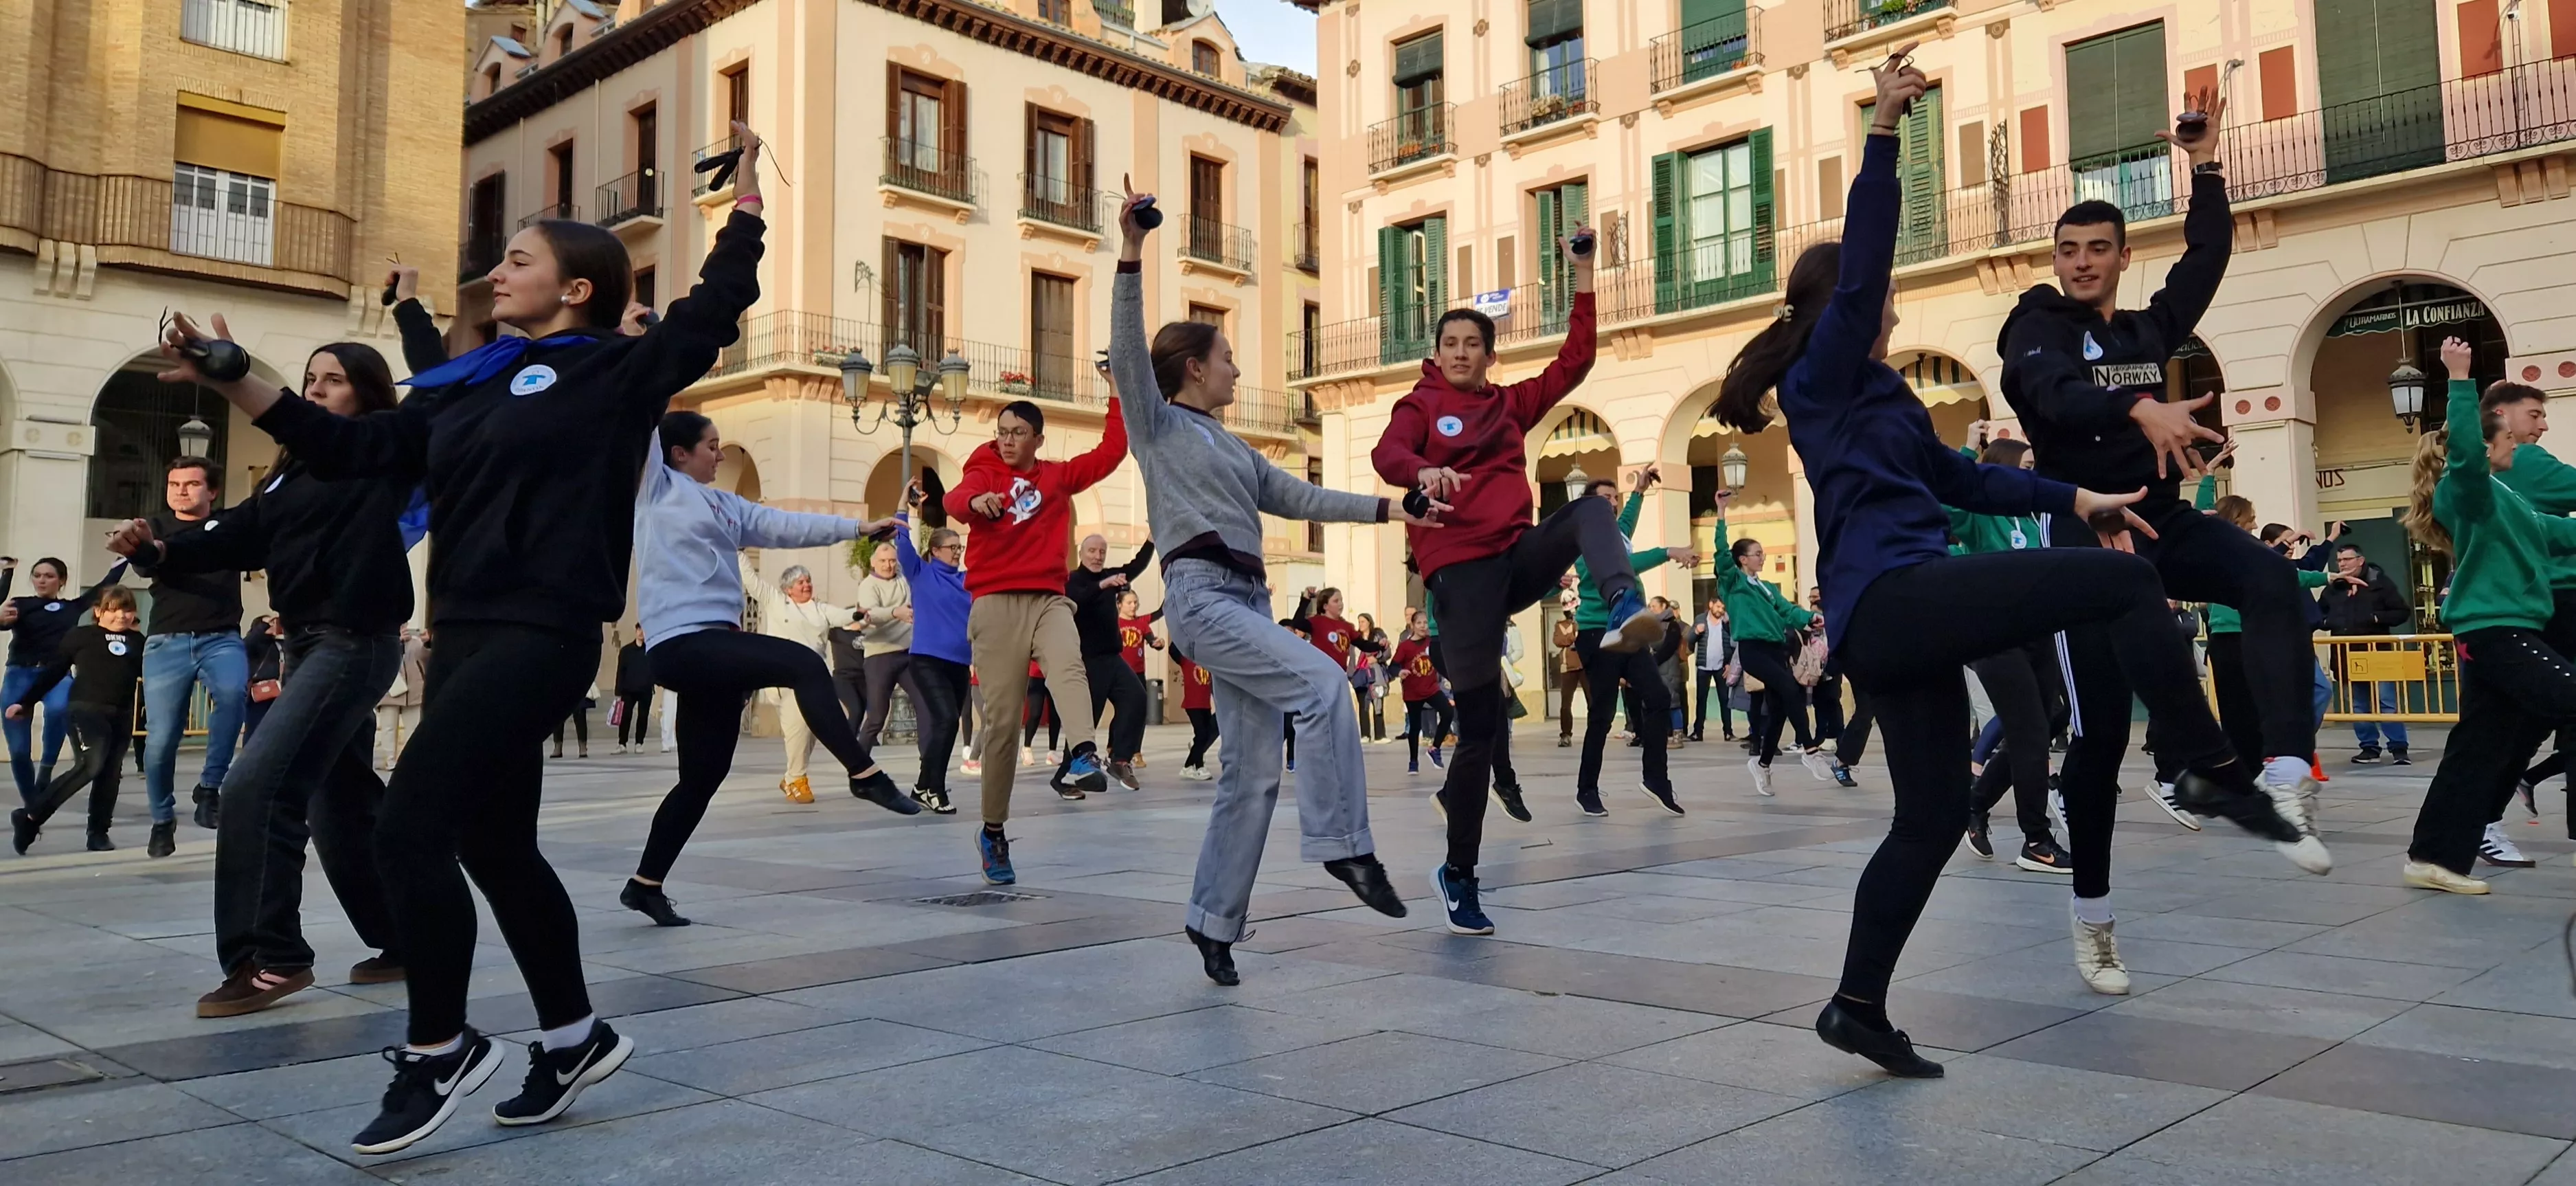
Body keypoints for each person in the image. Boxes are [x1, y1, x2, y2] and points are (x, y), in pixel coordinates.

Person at [155, 121, 776, 1154]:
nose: (497, 270)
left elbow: (716, 303)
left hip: (547, 631)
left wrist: (744, 199)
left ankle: (441, 1048)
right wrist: (233, 372)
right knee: (492, 840)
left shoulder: (614, 373)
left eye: (519, 257)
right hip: (465, 635)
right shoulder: (462, 389)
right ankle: (574, 1034)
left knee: (408, 830)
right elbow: (341, 444)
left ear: (577, 288)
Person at [1710, 57, 2311, 1077]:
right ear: (1841, 311)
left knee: (1934, 813)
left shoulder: (1886, 400)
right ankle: (2210, 769)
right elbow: (1859, 266)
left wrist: (2075, 499)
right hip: (1891, 601)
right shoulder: (1823, 372)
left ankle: (1855, 1004)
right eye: (1881, 302)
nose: (1893, 311)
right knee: (2124, 580)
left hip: (1894, 622)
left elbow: (1966, 479)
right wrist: (1888, 131)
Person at [1997, 79, 2329, 866]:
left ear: (2122, 255)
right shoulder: (2038, 323)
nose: (2082, 263)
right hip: (2085, 533)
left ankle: (2283, 767)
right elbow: (2047, 390)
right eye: (2069, 250)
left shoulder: (2150, 329)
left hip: (2162, 519)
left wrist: (2206, 164)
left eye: (2097, 249)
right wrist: (2140, 410)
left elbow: (2207, 256)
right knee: (2103, 729)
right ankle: (2091, 893)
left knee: (2272, 582)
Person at [1105, 183, 1419, 983]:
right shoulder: (1158, 423)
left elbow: (1302, 497)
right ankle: (1346, 848)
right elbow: (1131, 352)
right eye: (1227, 360)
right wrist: (1132, 253)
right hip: (1204, 598)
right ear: (1193, 368)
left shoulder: (1232, 447)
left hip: (1246, 602)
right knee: (1322, 687)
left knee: (1252, 774)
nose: (1237, 370)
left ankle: (1211, 922)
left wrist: (1396, 507)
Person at [1372, 209, 1660, 937]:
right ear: (1436, 353)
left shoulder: (1510, 403)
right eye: (1451, 343)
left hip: (1516, 555)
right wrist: (1422, 469)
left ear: (1489, 355)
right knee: (1479, 729)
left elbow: (1576, 361)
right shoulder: (1419, 404)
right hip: (1460, 577)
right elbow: (1387, 455)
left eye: (1473, 343)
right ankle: (1459, 872)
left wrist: (1586, 276)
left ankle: (1625, 602)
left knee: (1593, 503)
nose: (1462, 352)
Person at [110, 340, 413, 1018]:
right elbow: (235, 534)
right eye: (310, 378)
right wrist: (158, 550)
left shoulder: (375, 445)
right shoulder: (288, 473)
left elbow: (320, 434)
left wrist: (240, 377)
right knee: (339, 804)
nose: (316, 388)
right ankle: (404, 938)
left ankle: (270, 956)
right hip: (307, 644)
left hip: (353, 641)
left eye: (334, 380)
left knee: (256, 785)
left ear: (365, 393)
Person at [628, 409, 918, 925]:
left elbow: (784, 525)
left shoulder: (723, 503)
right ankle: (863, 773)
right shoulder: (657, 486)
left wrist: (858, 526)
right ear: (678, 455)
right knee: (804, 662)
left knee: (701, 778)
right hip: (681, 643)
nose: (720, 453)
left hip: (715, 647)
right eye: (711, 446)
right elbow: (640, 406)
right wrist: (636, 342)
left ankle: (646, 884)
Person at [2402, 343, 2576, 893]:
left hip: (2508, 630)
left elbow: (2561, 534)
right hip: (2493, 631)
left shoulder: (2511, 502)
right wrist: (2459, 379)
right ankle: (2439, 855)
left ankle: (2433, 859)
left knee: (2479, 749)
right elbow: (2466, 459)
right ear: (2487, 443)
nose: (2519, 445)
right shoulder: (2467, 490)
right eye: (2510, 438)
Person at [945, 395, 1124, 884]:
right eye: (1002, 430)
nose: (1006, 439)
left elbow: (1111, 453)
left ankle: (1084, 753)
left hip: (1048, 597)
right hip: (996, 601)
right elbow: (956, 498)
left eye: (1018, 432)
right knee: (1003, 725)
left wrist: (1117, 394)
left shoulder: (1058, 478)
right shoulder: (984, 468)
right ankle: (993, 832)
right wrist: (975, 502)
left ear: (1037, 440)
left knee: (1069, 664)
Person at [1946, 428, 2073, 873]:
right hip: (1995, 636)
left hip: (2038, 632)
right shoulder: (1981, 513)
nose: (2033, 475)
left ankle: (1975, 806)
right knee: (2032, 736)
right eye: (2026, 468)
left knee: (2047, 723)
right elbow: (1945, 499)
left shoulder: (2033, 515)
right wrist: (1967, 451)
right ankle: (2036, 840)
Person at [139, 454, 250, 856]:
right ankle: (162, 819)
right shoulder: (154, 526)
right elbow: (144, 561)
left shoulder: (227, 525)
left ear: (213, 491)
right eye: (174, 485)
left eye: (191, 484)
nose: (181, 491)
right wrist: (133, 545)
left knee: (235, 694)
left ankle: (209, 788)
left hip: (220, 636)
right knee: (162, 739)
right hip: (166, 642)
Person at [1571, 470, 1693, 816]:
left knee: (1657, 696)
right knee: (1604, 712)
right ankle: (1587, 789)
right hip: (1598, 632)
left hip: (1629, 629)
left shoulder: (1617, 533)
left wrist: (1638, 491)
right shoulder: (1586, 540)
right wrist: (1667, 551)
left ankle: (1656, 779)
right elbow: (1624, 563)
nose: (1613, 503)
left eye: (1614, 497)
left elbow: (1626, 523)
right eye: (1605, 498)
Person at [8, 585, 145, 853]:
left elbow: (153, 678)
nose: (121, 616)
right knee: (90, 764)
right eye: (114, 610)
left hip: (121, 714)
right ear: (99, 612)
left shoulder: (139, 642)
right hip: (86, 710)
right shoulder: (81, 636)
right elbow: (55, 670)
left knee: (110, 773)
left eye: (127, 610)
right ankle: (32, 816)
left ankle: (98, 832)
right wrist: (26, 701)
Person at [1712, 508, 1823, 795]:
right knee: (1790, 688)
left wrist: (1809, 619)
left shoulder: (1768, 587)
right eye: (1757, 553)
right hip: (1753, 649)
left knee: (1777, 712)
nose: (1763, 557)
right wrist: (1721, 515)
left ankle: (1761, 765)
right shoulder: (1733, 583)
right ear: (1743, 559)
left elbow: (1787, 610)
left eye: (1762, 553)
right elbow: (1722, 555)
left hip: (1776, 650)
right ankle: (1810, 749)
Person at [0, 557, 128, 805]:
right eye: (37, 575)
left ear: (62, 581)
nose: (42, 580)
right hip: (20, 674)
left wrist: (124, 557)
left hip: (55, 675)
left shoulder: (72, 607)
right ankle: (32, 805)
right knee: (18, 750)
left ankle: (47, 767)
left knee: (60, 709)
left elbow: (105, 585)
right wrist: (7, 574)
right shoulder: (22, 604)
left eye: (48, 576)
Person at [745, 562, 853, 802]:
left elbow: (843, 616)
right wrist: (739, 552)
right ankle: (799, 778)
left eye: (808, 581)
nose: (806, 585)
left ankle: (790, 778)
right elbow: (752, 582)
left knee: (822, 723)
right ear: (788, 589)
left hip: (814, 677)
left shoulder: (820, 609)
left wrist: (860, 614)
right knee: (798, 726)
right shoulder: (776, 602)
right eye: (800, 582)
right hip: (785, 678)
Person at [892, 491, 971, 814]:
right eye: (952, 548)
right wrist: (908, 508)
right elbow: (903, 540)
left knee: (948, 725)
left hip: (959, 664)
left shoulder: (968, 580)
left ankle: (923, 786)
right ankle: (935, 789)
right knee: (946, 719)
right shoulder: (921, 573)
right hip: (927, 660)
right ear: (935, 551)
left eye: (959, 548)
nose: (957, 553)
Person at [1067, 535, 1155, 789]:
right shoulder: (1073, 580)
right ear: (1081, 552)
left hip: (1113, 659)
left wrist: (1151, 540)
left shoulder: (1113, 576)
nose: (1097, 556)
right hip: (1088, 661)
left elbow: (1136, 566)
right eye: (1092, 551)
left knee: (1137, 698)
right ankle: (1066, 771)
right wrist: (1102, 586)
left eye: (1102, 552)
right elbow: (1077, 600)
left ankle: (1120, 759)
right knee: (1087, 720)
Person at [2320, 541, 2416, 763]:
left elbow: (2402, 612)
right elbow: (2319, 614)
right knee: (2359, 704)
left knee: (2387, 702)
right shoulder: (2333, 588)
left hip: (2378, 652)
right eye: (2339, 560)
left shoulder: (2380, 583)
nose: (2342, 564)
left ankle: (2398, 748)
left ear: (2360, 560)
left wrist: (2375, 618)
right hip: (2346, 654)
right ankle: (2369, 747)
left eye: (2347, 559)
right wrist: (2330, 622)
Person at [851, 540, 920, 752]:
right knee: (877, 717)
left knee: (925, 706)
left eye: (891, 561)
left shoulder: (903, 579)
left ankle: (929, 768)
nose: (888, 565)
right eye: (883, 561)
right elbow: (869, 614)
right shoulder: (868, 585)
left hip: (907, 653)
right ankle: (859, 768)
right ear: (874, 563)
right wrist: (894, 612)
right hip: (879, 655)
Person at [1392, 618, 1451, 773]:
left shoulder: (1432, 643)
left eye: (1425, 623)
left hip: (1432, 688)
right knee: (1415, 727)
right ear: (1412, 626)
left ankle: (1435, 748)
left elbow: (1442, 660)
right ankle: (1413, 761)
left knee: (1448, 712)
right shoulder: (1405, 646)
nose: (1423, 626)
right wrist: (1400, 672)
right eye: (1419, 623)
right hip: (1413, 692)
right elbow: (1393, 666)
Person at [376, 628, 427, 770]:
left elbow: (428, 659)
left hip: (414, 691)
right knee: (389, 728)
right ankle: (390, 760)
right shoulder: (383, 642)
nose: (403, 628)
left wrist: (427, 643)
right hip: (390, 691)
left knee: (414, 727)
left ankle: (411, 760)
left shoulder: (417, 643)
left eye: (405, 625)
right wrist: (396, 643)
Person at [1691, 598, 1734, 742]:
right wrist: (1696, 632)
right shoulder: (1700, 619)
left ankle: (1728, 732)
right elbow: (1689, 640)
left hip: (1721, 667)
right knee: (1701, 700)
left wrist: (1729, 664)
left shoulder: (1727, 622)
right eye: (1718, 606)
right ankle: (1698, 732)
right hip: (1704, 666)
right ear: (1710, 605)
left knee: (1724, 700)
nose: (1720, 610)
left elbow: (1732, 643)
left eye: (1722, 607)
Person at [1174, 645, 1217, 780]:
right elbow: (1173, 649)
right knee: (1202, 735)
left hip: (1205, 705)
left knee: (1205, 735)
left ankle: (1193, 766)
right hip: (1192, 704)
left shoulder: (1210, 663)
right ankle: (1194, 766)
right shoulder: (1186, 660)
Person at [242, 616, 285, 741]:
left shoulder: (280, 644)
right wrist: (263, 626)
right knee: (255, 730)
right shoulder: (254, 644)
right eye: (269, 624)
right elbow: (247, 644)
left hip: (280, 692)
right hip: (259, 695)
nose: (273, 626)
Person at [612, 629, 653, 754]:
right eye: (639, 630)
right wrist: (618, 691)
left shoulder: (650, 650)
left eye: (644, 630)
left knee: (643, 717)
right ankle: (622, 743)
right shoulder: (626, 651)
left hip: (646, 690)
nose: (641, 633)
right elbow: (620, 672)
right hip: (628, 690)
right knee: (626, 716)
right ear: (636, 631)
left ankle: (639, 743)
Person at [1552, 609, 1585, 746]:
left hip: (1584, 665)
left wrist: (1574, 636)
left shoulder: (1583, 623)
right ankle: (1566, 734)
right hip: (1568, 667)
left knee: (1592, 700)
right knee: (1566, 703)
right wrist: (1573, 637)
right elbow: (1558, 641)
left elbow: (1585, 638)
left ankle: (1595, 732)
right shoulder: (1560, 625)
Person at [552, 682, 597, 759]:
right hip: (560, 683)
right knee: (558, 713)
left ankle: (582, 745)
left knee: (580, 713)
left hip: (578, 683)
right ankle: (557, 745)